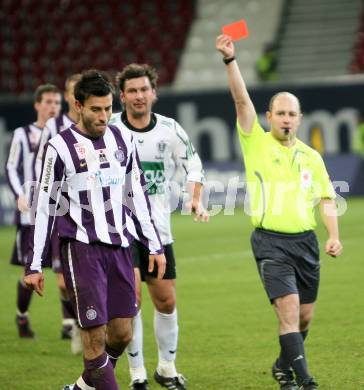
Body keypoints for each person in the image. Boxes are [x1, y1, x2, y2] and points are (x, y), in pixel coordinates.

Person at [24, 69, 166, 390]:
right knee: (94, 338)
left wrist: (153, 245)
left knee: (123, 333)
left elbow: (137, 194)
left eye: (108, 108)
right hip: (82, 249)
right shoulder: (59, 147)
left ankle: (82, 388)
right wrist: (35, 264)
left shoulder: (123, 138)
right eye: (95, 109)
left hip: (120, 247)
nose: (104, 116)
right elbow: (45, 206)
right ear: (77, 106)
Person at [216, 34, 343, 390]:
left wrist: (333, 235)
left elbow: (327, 198)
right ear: (269, 116)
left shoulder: (311, 157)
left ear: (299, 119)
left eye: (292, 114)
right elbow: (241, 100)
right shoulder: (255, 141)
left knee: (303, 318)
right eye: (280, 113)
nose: (286, 119)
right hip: (270, 242)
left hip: (306, 243)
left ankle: (283, 365)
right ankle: (304, 380)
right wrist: (230, 60)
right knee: (287, 311)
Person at [109, 63, 208, 390]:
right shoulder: (108, 129)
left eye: (144, 90)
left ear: (154, 93)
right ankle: (137, 374)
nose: (139, 96)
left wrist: (195, 199)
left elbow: (194, 165)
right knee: (132, 299)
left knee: (165, 301)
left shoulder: (170, 129)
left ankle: (166, 367)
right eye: (132, 91)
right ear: (122, 96)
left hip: (158, 230)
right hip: (120, 231)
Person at [5, 83, 62, 338]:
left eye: (57, 103)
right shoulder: (22, 133)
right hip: (30, 214)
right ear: (37, 104)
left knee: (65, 269)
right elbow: (10, 167)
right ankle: (22, 317)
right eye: (48, 102)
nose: (53, 107)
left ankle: (70, 325)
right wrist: (20, 193)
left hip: (58, 212)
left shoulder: (65, 133)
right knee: (29, 270)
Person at [34, 73, 83, 354]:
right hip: (60, 209)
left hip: (87, 210)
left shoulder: (95, 124)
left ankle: (86, 322)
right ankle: (76, 322)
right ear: (67, 96)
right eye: (74, 92)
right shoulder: (53, 126)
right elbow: (44, 164)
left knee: (82, 276)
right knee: (63, 281)